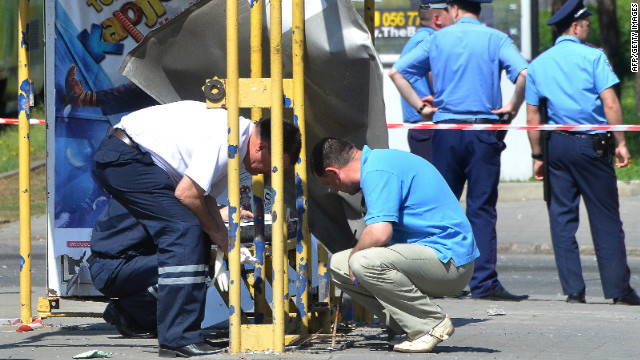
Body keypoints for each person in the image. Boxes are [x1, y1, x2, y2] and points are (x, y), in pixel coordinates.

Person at [88, 100, 302, 357]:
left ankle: (173, 329)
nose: (268, 173)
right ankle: (177, 339)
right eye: (272, 165)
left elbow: (206, 198)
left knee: (194, 233)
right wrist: (214, 230)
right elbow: (187, 194)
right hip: (126, 157)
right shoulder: (227, 137)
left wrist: (223, 238)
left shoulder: (235, 142)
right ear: (261, 146)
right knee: (183, 231)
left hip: (131, 157)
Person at [388, 0, 529, 301]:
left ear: (453, 8)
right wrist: (512, 107)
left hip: (446, 131)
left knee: (440, 207)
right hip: (483, 132)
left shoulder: (436, 38)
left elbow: (397, 72)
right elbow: (524, 74)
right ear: (478, 9)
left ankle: (438, 278)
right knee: (481, 208)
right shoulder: (496, 38)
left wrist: (421, 107)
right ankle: (484, 283)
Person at [310, 137, 479, 353]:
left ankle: (430, 323)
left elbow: (380, 233)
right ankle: (405, 324)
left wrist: (356, 255)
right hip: (435, 257)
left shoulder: (377, 171)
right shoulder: (379, 163)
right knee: (339, 265)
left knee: (361, 261)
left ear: (334, 172)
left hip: (451, 262)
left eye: (330, 184)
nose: (336, 190)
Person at [525, 0, 640, 306]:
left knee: (562, 218)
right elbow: (611, 103)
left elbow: (533, 116)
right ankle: (619, 290)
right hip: (592, 145)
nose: (590, 28)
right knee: (605, 218)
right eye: (587, 24)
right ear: (575, 26)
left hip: (556, 146)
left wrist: (537, 155)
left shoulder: (538, 64)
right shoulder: (594, 57)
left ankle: (574, 290)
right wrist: (621, 142)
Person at [399, 1, 450, 162]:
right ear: (438, 18)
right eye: (451, 11)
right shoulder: (429, 40)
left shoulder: (420, 38)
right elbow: (436, 74)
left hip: (423, 126)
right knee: (435, 180)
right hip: (428, 126)